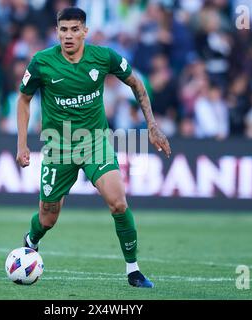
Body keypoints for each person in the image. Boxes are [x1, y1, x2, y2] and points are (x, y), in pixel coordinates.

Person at [16, 7, 171, 288]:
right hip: (58, 146)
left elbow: (136, 84)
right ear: (57, 32)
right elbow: (24, 99)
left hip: (95, 143)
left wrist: (152, 125)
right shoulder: (41, 62)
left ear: (85, 31)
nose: (69, 36)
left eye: (75, 29)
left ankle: (133, 270)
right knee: (48, 217)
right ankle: (32, 239)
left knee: (119, 203)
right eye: (63, 30)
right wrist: (22, 144)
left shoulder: (104, 57)